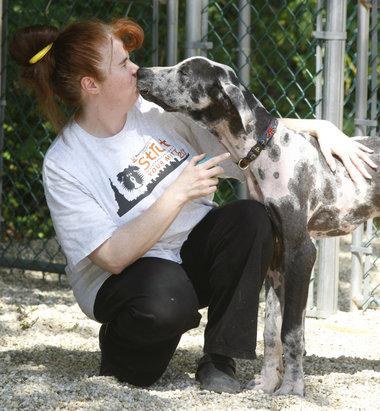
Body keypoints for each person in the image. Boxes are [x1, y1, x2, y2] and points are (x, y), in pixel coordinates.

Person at [9, 18, 376, 394]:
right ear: (91, 84)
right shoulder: (66, 161)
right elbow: (112, 256)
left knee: (251, 219)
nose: (136, 68)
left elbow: (248, 133)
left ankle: (220, 359)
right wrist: (177, 193)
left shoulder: (159, 116)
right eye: (122, 64)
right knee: (163, 313)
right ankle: (121, 346)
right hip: (125, 279)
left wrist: (318, 127)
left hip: (188, 255)